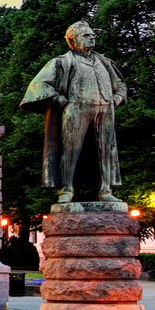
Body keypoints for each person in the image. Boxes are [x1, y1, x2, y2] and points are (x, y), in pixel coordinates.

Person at [19, 21, 126, 203]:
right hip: (76, 108)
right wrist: (56, 97)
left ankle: (105, 190)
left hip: (105, 109)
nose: (92, 37)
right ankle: (66, 189)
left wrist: (119, 97)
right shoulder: (62, 62)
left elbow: (120, 84)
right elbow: (38, 85)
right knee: (70, 151)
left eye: (93, 35)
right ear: (72, 40)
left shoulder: (104, 62)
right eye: (86, 35)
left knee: (106, 151)